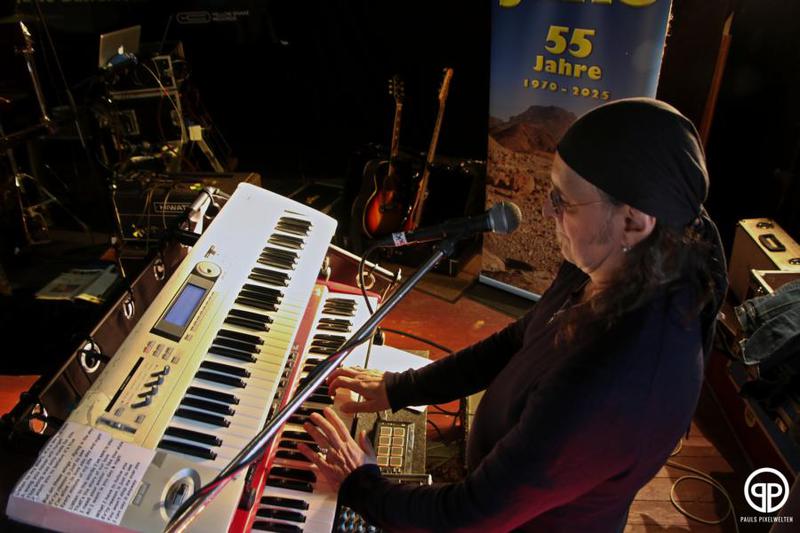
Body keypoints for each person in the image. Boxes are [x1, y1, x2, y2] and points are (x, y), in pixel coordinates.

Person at [296, 98, 728, 531]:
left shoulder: (616, 383)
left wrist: (360, 484)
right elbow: (521, 337)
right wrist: (401, 388)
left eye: (563, 201)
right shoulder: (612, 263)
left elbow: (471, 517)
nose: (545, 211)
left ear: (633, 222)